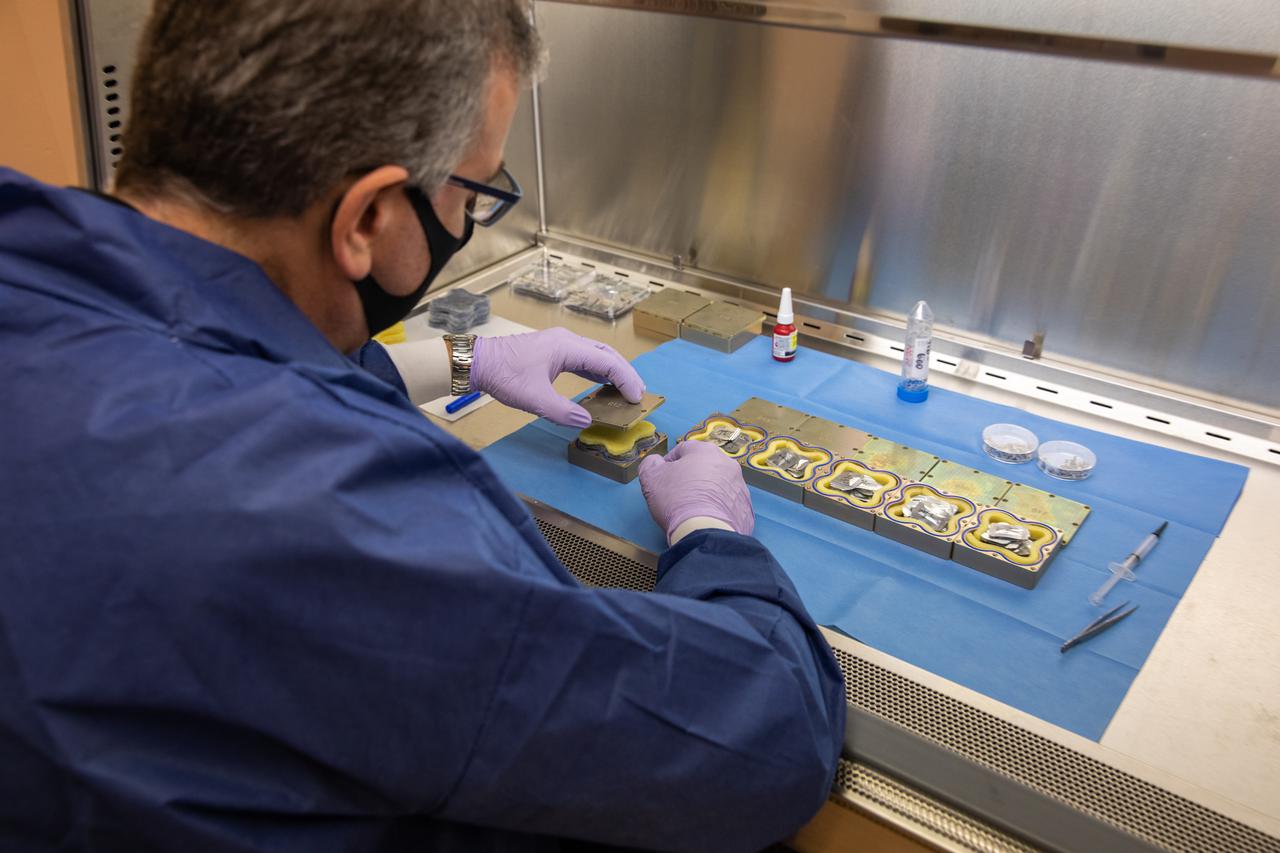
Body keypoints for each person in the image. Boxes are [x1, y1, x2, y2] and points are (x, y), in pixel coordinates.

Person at [0, 2, 845, 851]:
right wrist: (711, 532)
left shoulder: (27, 258)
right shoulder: (339, 507)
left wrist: (463, 359)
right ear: (366, 217)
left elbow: (219, 349)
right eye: (472, 195)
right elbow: (759, 737)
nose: (467, 221)